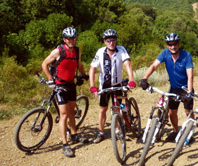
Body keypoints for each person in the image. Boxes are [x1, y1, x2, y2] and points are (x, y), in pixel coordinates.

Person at [41, 27, 89, 158]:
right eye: (68, 38)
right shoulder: (58, 51)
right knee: (63, 115)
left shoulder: (77, 51)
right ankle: (65, 144)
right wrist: (51, 80)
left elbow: (79, 64)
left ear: (76, 38)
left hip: (71, 85)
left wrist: (84, 75)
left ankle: (74, 135)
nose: (71, 40)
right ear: (64, 39)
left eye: (73, 38)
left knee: (71, 111)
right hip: (60, 86)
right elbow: (44, 64)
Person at [140, 33, 194, 142]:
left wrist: (189, 92)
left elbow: (190, 76)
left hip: (185, 88)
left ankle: (190, 131)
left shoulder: (186, 55)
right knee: (172, 112)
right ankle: (175, 131)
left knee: (188, 112)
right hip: (174, 88)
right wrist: (144, 78)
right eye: (170, 44)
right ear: (167, 45)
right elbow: (154, 66)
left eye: (175, 44)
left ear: (178, 44)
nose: (172, 46)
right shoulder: (165, 53)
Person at [89, 29, 136, 143]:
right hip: (104, 86)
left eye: (113, 40)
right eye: (109, 40)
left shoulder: (121, 50)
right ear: (105, 41)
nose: (111, 43)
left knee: (118, 108)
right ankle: (100, 133)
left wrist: (131, 80)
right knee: (102, 109)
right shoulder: (100, 52)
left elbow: (127, 65)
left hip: (117, 84)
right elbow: (92, 69)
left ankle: (118, 130)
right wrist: (92, 86)